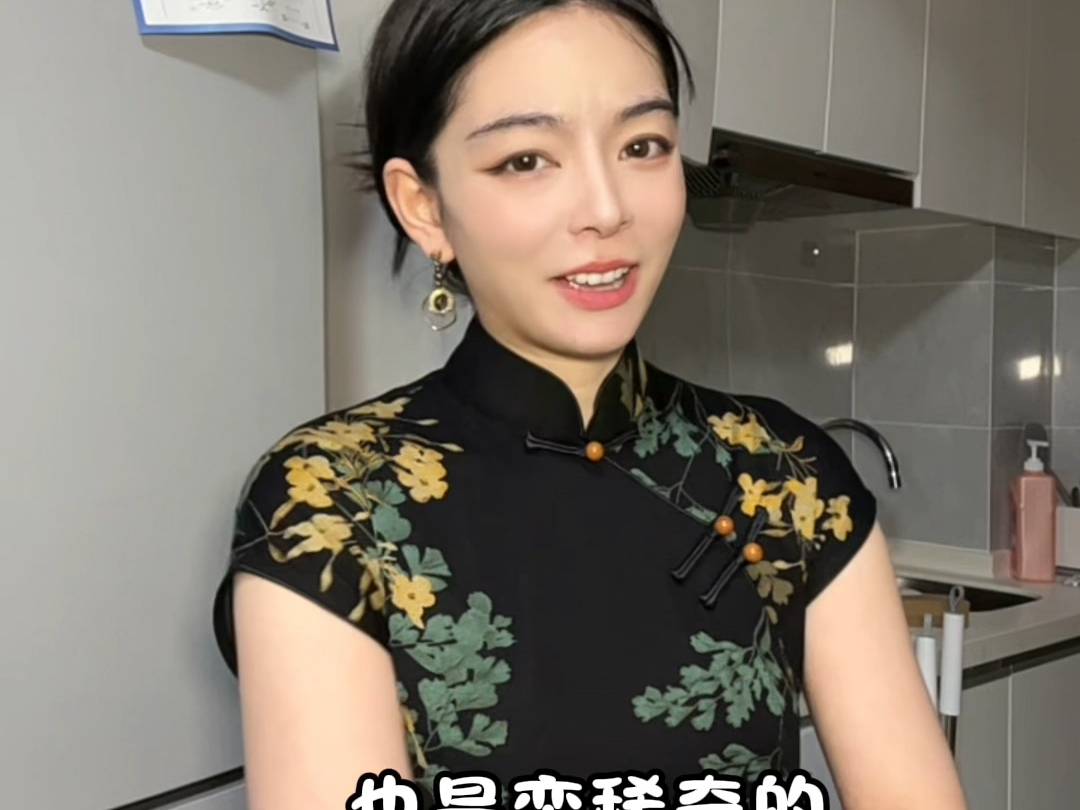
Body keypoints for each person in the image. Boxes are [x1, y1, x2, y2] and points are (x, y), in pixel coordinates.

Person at [211, 1, 970, 809]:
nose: (607, 209)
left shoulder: (783, 473)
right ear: (424, 206)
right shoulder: (332, 498)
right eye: (527, 160)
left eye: (642, 146)